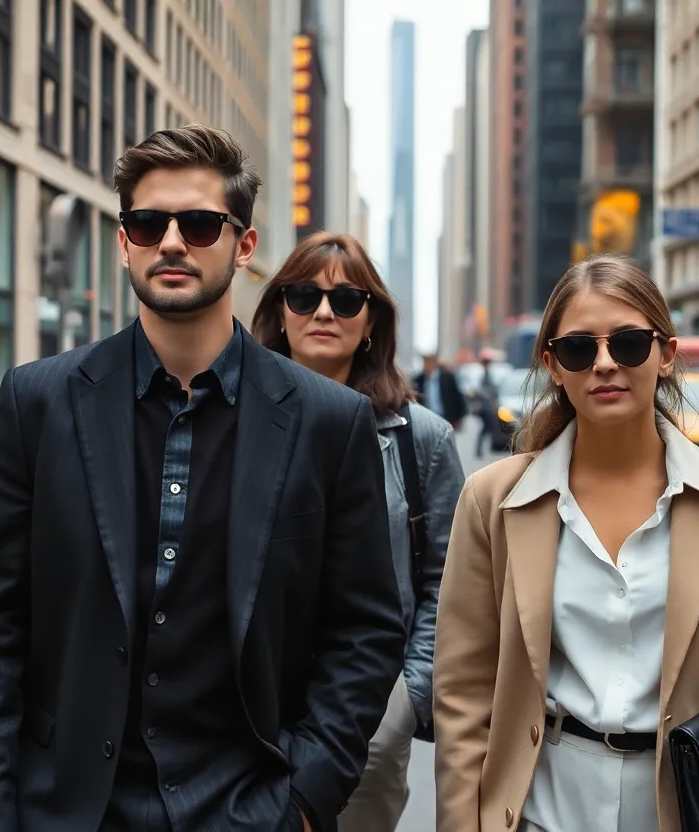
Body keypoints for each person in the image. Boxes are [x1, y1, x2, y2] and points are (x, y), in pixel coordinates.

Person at [0, 125, 406, 832]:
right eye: (149, 223)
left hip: (252, 809)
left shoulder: (327, 421)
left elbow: (364, 632)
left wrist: (304, 800)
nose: (174, 242)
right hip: (69, 813)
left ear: (244, 247)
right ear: (124, 242)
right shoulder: (36, 403)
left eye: (201, 223)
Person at [433, 254, 699, 832]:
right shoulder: (493, 501)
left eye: (628, 343)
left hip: (692, 807)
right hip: (542, 808)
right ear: (553, 365)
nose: (605, 364)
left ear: (666, 354)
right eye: (580, 349)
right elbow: (463, 696)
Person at [252, 232, 465, 831]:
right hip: (246, 704)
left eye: (347, 301)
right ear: (279, 313)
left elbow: (447, 585)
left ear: (370, 323)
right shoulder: (233, 422)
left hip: (368, 710)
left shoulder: (420, 438)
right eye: (304, 296)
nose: (323, 312)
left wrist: (407, 696)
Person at [412, 353, 467, 430]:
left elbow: (457, 397)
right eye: (426, 362)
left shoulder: (447, 377)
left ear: (435, 363)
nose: (427, 365)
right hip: (426, 419)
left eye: (430, 362)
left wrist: (458, 418)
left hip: (444, 417)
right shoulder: (419, 379)